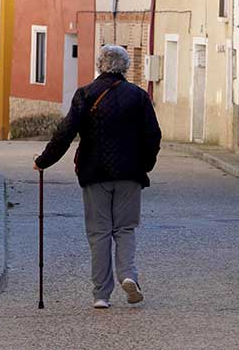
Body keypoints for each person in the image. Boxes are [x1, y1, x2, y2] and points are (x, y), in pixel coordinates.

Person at [33, 45, 162, 309]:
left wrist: (44, 161)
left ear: (100, 65)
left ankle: (101, 295)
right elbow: (153, 135)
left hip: (95, 173)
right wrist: (145, 165)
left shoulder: (86, 94)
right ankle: (128, 275)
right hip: (130, 173)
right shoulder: (138, 96)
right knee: (125, 228)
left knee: (99, 232)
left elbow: (65, 132)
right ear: (125, 67)